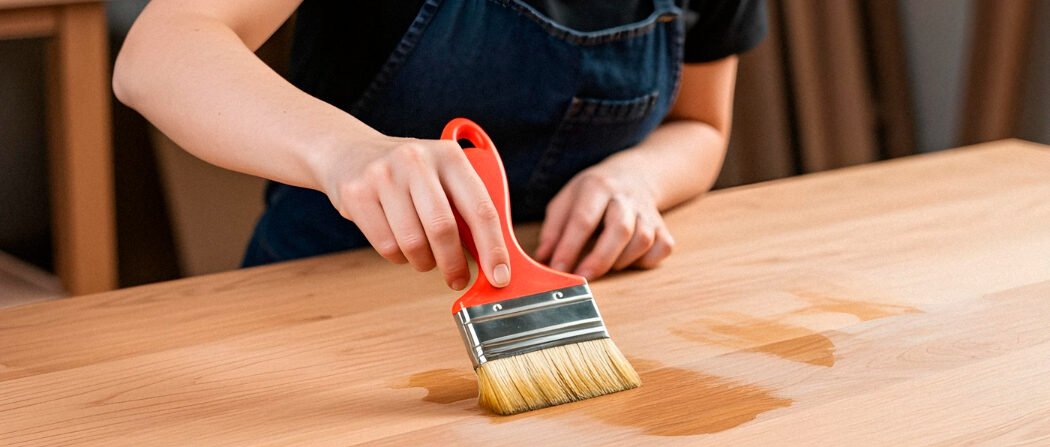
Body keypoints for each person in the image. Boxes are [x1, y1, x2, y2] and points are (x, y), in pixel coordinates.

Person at [113, 0, 766, 291]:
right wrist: (347, 152)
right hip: (318, 308)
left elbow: (701, 126)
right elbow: (159, 52)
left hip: (572, 306)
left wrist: (637, 179)